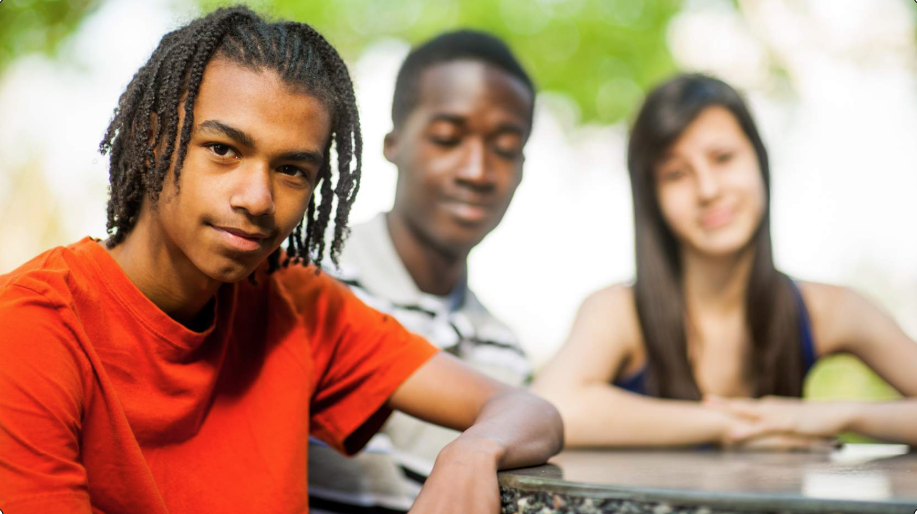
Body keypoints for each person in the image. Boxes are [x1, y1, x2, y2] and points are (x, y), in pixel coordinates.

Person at [0, 7, 563, 513]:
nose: (257, 198)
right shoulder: (33, 325)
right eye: (224, 149)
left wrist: (472, 450)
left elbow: (528, 410)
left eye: (292, 169)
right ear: (154, 139)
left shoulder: (297, 302)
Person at [533, 73, 917, 449]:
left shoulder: (830, 309)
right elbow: (548, 409)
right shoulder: (618, 312)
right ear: (652, 199)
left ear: (759, 161)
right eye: (676, 174)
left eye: (723, 158)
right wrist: (729, 425)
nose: (708, 189)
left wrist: (837, 416)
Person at [307, 30, 535, 513]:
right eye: (447, 138)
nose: (476, 170)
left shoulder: (505, 351)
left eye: (505, 147)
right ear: (394, 143)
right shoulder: (305, 283)